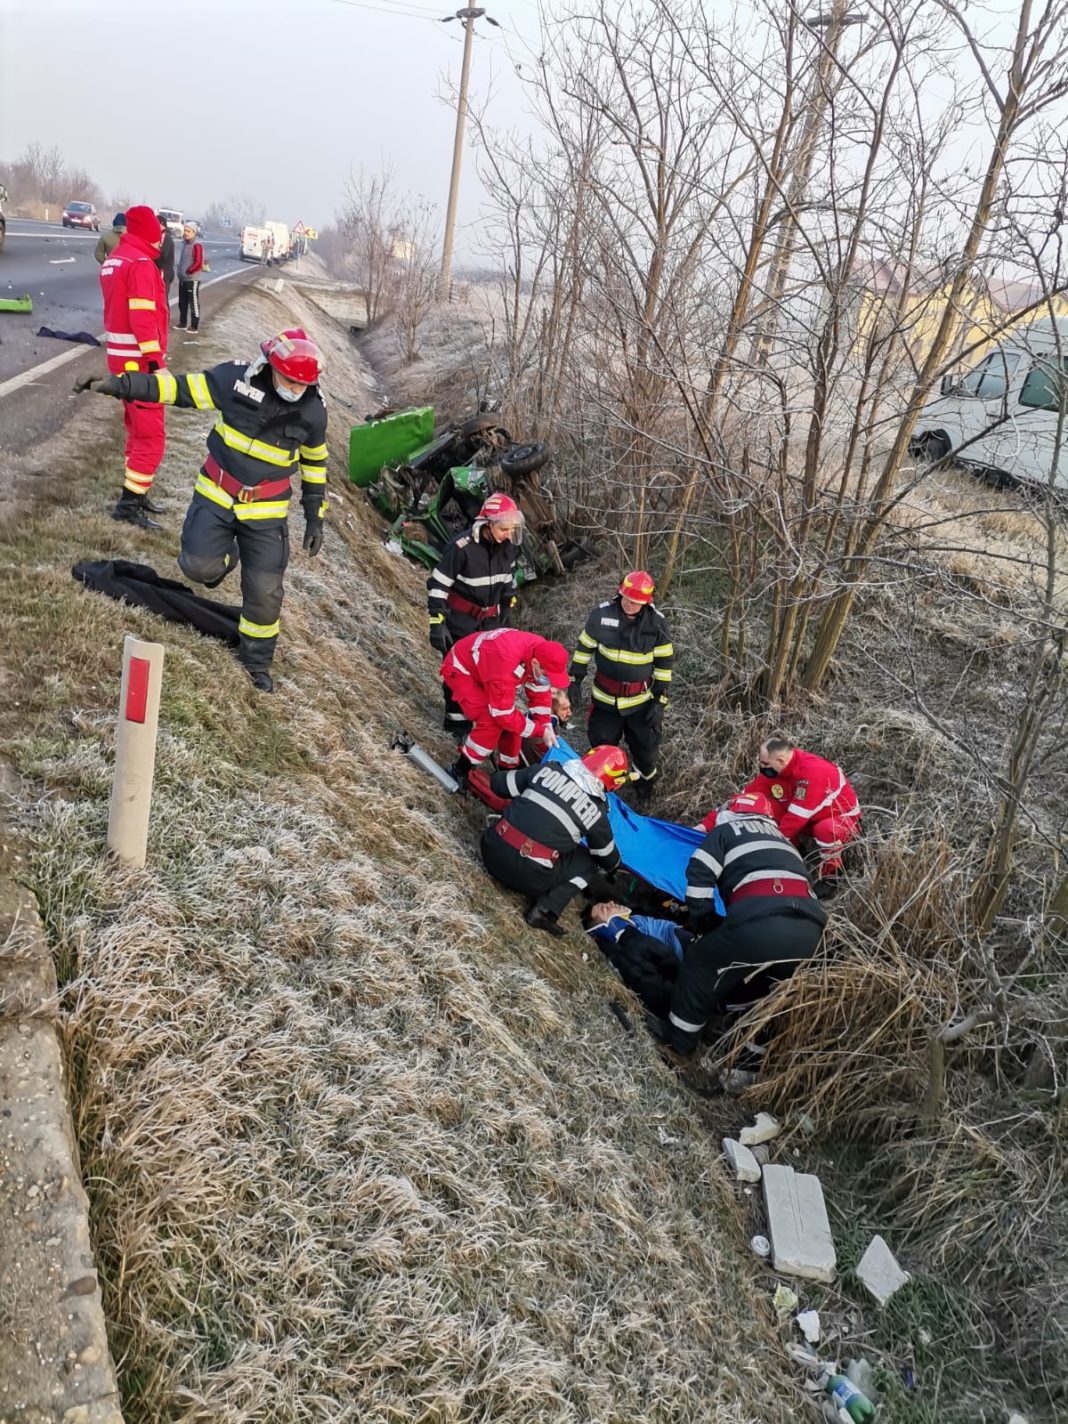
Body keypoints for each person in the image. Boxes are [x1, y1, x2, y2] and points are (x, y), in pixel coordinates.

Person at [75, 328, 328, 694]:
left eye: (302, 385)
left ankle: (256, 663)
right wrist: (120, 384)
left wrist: (314, 513)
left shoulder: (314, 412)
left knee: (265, 592)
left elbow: (315, 464)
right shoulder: (233, 380)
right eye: (289, 380)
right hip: (217, 494)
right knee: (197, 568)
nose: (294, 389)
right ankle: (228, 556)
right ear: (271, 366)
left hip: (266, 513)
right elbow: (176, 389)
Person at [651, 792, 828, 1055]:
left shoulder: (726, 831)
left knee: (702, 962)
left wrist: (703, 921)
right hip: (814, 932)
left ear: (732, 811)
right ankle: (747, 1059)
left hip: (760, 920)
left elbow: (700, 872)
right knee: (766, 989)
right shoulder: (786, 844)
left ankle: (679, 1040)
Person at [481, 746, 629, 936]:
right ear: (614, 782)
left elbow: (498, 785)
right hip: (525, 878)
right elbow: (608, 860)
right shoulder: (596, 813)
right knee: (590, 862)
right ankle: (545, 910)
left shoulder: (547, 770)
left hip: (491, 848)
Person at [700, 735, 861, 890]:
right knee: (763, 806)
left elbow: (794, 820)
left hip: (840, 816)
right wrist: (705, 825)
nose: (761, 767)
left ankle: (831, 876)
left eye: (764, 763)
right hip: (803, 817)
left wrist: (766, 850)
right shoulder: (776, 770)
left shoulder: (813, 773)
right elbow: (741, 799)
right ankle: (795, 849)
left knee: (825, 830)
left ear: (781, 761)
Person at [569, 570, 673, 797]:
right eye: (627, 599)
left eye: (636, 603)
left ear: (647, 602)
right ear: (620, 593)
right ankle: (599, 794)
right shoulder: (601, 616)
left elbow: (664, 665)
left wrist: (659, 701)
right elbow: (584, 648)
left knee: (646, 751)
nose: (630, 605)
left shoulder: (657, 625)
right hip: (605, 700)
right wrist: (575, 680)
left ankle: (644, 790)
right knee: (601, 746)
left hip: (641, 703)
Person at [97, 205, 169, 529]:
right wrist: (156, 365)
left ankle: (137, 493)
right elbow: (143, 318)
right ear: (149, 232)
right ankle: (128, 504)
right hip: (139, 361)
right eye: (159, 232)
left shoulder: (115, 260)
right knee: (151, 434)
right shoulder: (140, 264)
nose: (162, 238)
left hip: (119, 357)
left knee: (136, 429)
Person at [428, 491, 523, 731]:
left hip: (489, 624)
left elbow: (508, 584)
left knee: (486, 677)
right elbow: (438, 585)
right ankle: (456, 727)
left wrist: (507, 610)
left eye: (512, 529)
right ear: (487, 524)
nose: (508, 534)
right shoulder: (461, 549)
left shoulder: (507, 549)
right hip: (460, 623)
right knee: (458, 678)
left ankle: (481, 725)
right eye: (504, 529)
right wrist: (437, 623)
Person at [442, 627, 570, 784]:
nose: (548, 681)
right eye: (546, 676)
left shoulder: (541, 652)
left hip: (486, 667)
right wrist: (539, 730)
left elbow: (541, 694)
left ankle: (507, 772)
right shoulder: (507, 664)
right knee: (491, 722)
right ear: (535, 664)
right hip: (461, 669)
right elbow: (502, 715)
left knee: (515, 726)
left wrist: (545, 723)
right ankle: (460, 770)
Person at [584, 901, 689, 1016]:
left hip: (682, 944)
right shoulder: (630, 946)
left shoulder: (635, 922)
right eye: (604, 908)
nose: (611, 903)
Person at [176, 222, 207, 332]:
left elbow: (199, 263)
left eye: (188, 231)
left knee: (193, 302)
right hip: (182, 279)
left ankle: (194, 326)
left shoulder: (197, 245)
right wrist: (180, 272)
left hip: (192, 279)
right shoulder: (184, 244)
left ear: (194, 232)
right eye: (185, 230)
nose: (186, 233)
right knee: (182, 302)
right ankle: (182, 323)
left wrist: (189, 271)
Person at [155, 213, 176, 299]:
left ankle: (165, 313)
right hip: (160, 271)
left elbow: (162, 254)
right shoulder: (160, 236)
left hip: (163, 271)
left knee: (162, 298)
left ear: (161, 224)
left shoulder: (165, 237)